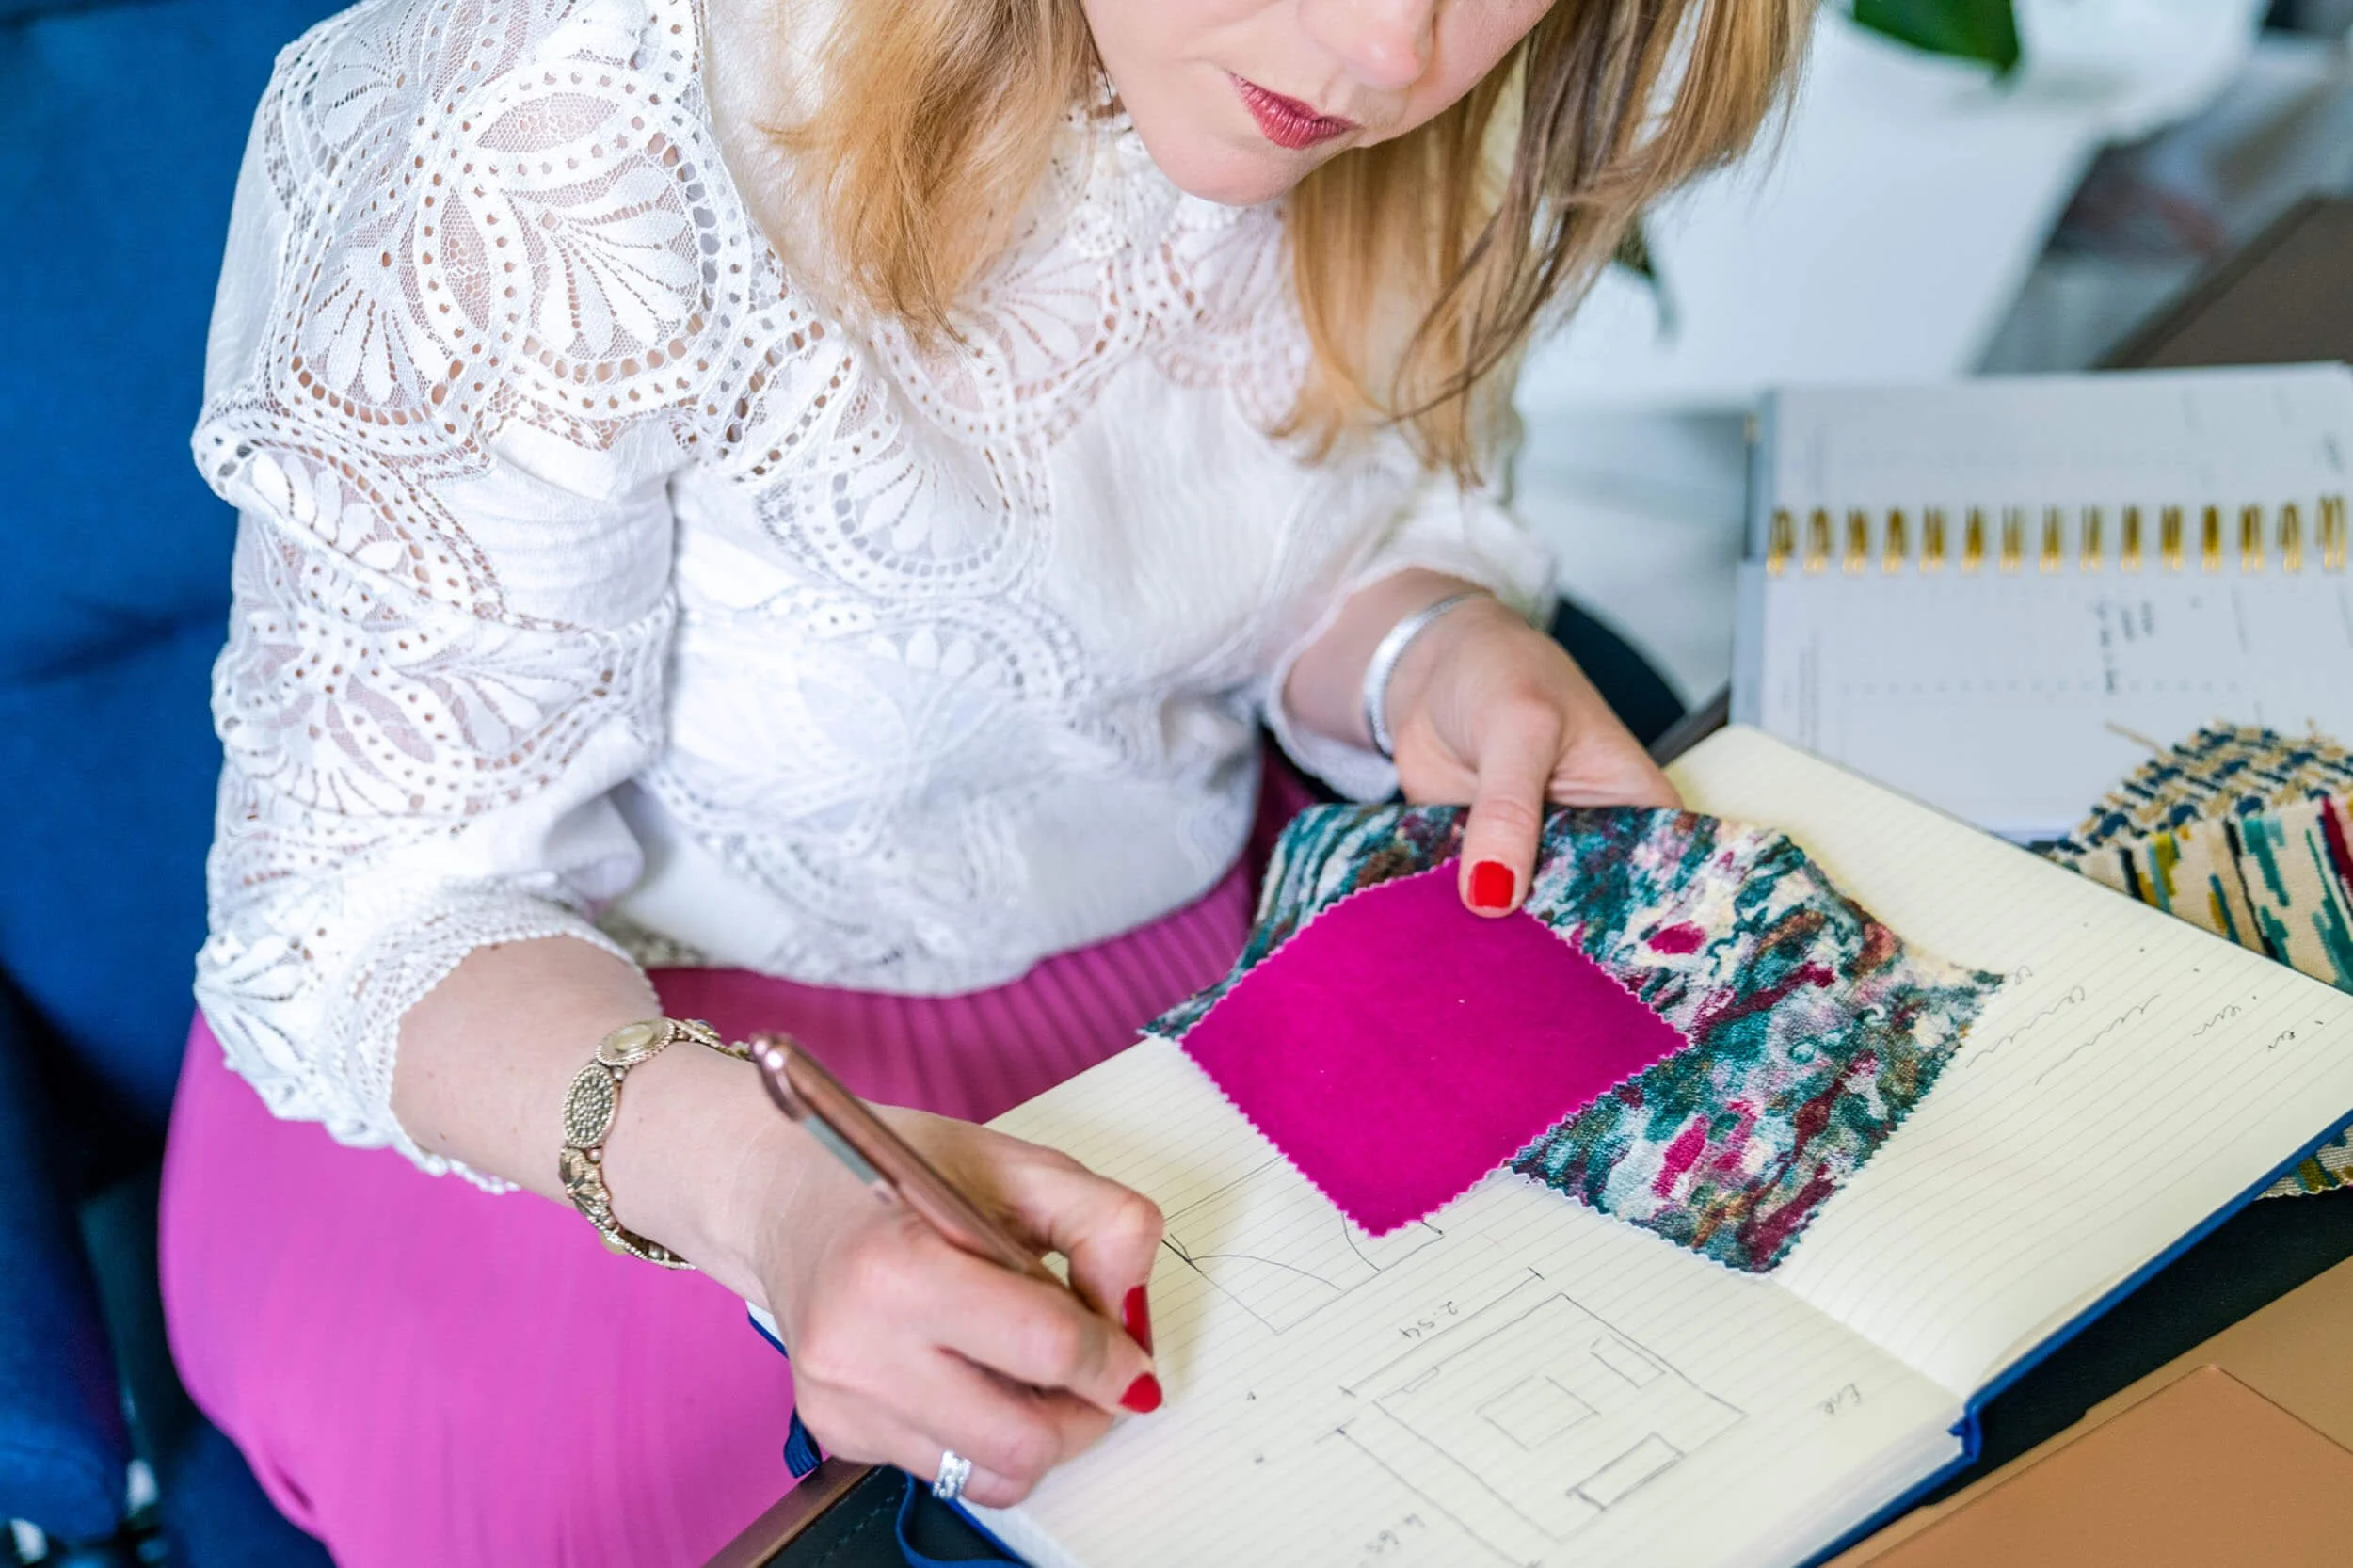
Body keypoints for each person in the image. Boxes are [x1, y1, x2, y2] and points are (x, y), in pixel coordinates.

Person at [159, 0, 1808, 1560]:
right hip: (606, 1112)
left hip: (1173, 982)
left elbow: (1305, 533)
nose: (1390, 51)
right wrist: (768, 1193)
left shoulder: (1355, 81)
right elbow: (373, 911)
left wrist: (1421, 648)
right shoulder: (561, 111)